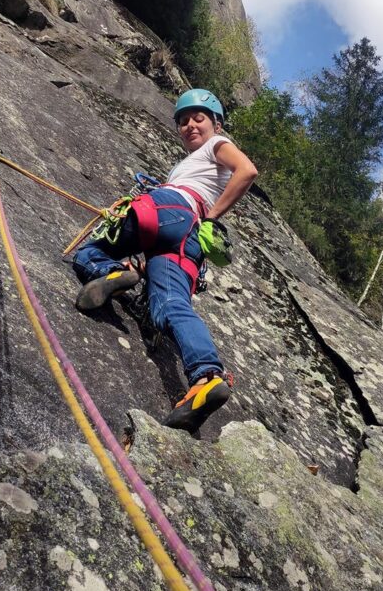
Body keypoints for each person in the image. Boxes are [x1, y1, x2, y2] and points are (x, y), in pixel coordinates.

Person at [72, 89, 258, 433]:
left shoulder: (216, 144)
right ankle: (207, 377)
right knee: (171, 304)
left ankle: (112, 272)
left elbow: (246, 170)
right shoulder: (193, 164)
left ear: (215, 123)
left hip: (170, 209)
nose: (189, 125)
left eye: (198, 118)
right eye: (183, 122)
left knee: (88, 252)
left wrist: (211, 217)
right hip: (186, 236)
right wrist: (203, 219)